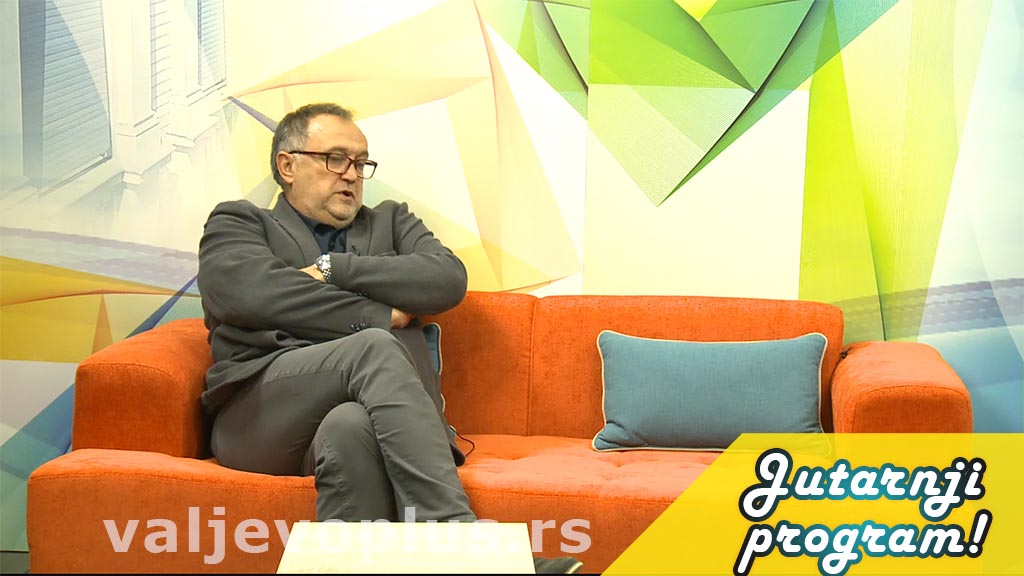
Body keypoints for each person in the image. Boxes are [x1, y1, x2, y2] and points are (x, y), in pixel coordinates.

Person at [197, 103, 582, 574]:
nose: (351, 174)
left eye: (361, 163)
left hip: (359, 417)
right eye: (336, 158)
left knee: (349, 426)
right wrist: (378, 313)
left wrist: (333, 269)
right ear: (288, 165)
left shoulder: (390, 222)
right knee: (376, 345)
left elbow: (445, 280)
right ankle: (462, 549)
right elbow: (252, 294)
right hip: (262, 414)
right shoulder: (239, 222)